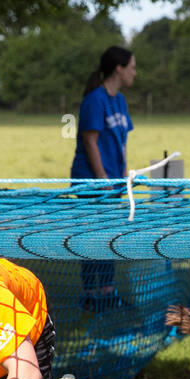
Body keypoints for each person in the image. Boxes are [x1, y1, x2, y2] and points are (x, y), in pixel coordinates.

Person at [70, 46, 137, 311]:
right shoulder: (94, 100)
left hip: (114, 182)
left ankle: (107, 293)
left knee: (109, 236)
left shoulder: (119, 100)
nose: (135, 72)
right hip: (92, 181)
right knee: (91, 237)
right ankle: (91, 295)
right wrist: (102, 179)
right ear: (118, 69)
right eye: (132, 67)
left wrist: (124, 173)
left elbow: (122, 140)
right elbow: (90, 141)